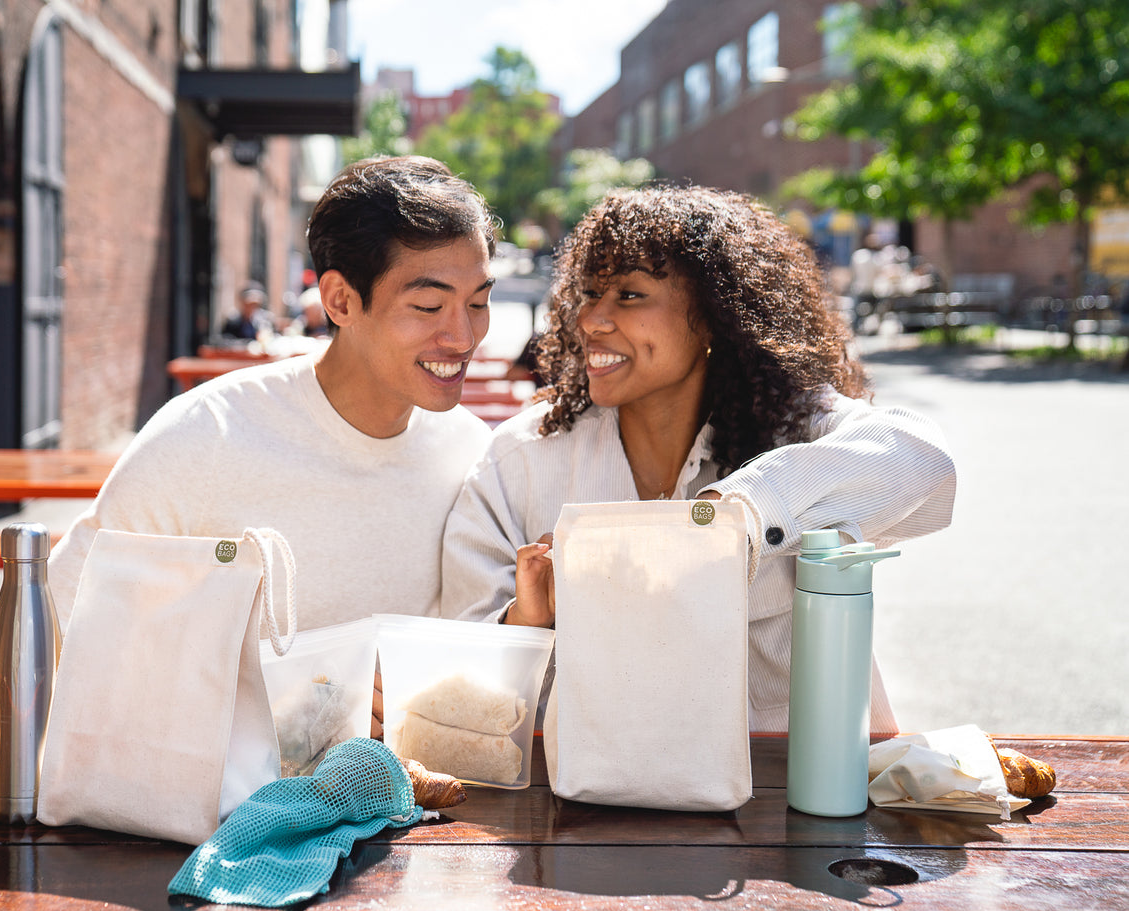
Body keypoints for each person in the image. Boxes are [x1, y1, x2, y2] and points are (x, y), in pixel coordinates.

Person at [440, 186, 956, 734]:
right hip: (589, 780)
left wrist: (738, 514)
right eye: (589, 293)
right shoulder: (522, 459)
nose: (592, 320)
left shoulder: (792, 426)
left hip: (797, 776)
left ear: (714, 314)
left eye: (630, 295)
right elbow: (458, 672)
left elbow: (924, 460)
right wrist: (527, 620)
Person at [50, 155, 499, 635]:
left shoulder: (471, 454)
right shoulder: (208, 435)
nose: (463, 337)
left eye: (478, 302)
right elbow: (62, 609)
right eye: (428, 306)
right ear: (340, 300)